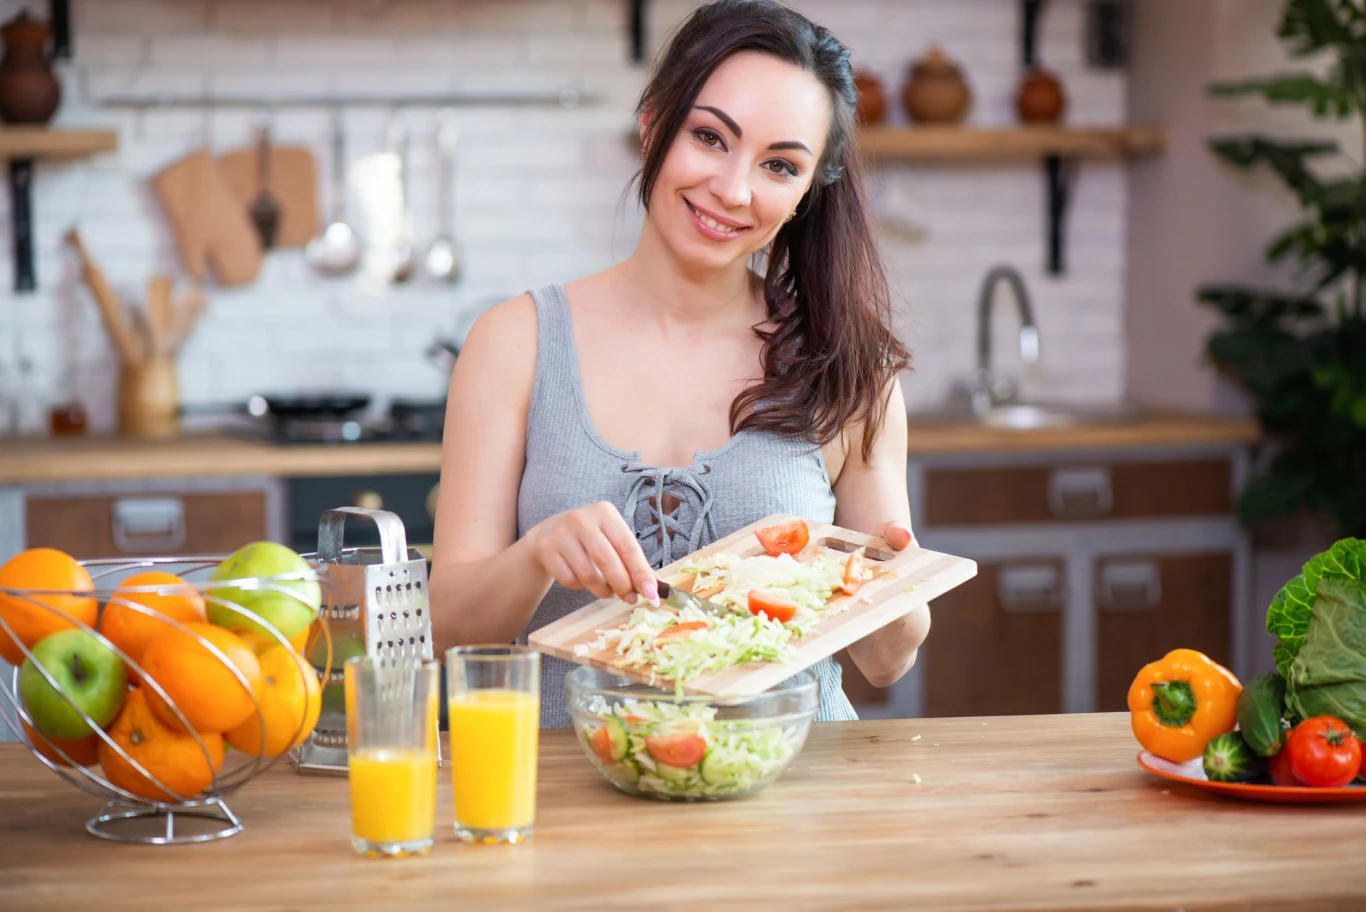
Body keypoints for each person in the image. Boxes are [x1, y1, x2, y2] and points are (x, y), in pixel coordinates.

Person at [430, 0, 926, 728]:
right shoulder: (514, 343)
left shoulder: (850, 364)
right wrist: (537, 554)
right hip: (571, 803)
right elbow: (443, 635)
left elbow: (887, 664)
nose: (733, 190)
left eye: (780, 165)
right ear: (653, 122)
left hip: (791, 803)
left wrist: (895, 588)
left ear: (806, 193)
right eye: (709, 137)